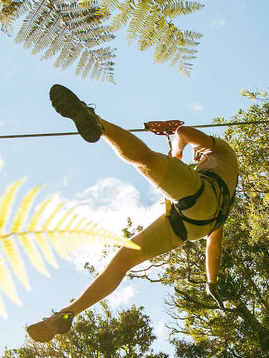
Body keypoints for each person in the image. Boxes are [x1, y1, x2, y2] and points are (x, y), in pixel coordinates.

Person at [27, 85, 238, 343]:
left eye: (201, 152)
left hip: (199, 203)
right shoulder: (223, 184)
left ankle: (98, 122)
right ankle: (66, 313)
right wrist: (211, 283)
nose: (199, 156)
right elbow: (213, 245)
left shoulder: (224, 152)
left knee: (147, 160)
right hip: (193, 225)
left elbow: (182, 131)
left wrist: (179, 150)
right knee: (122, 261)